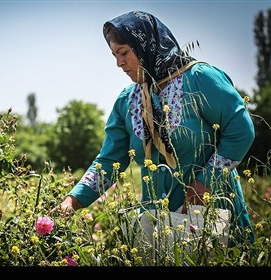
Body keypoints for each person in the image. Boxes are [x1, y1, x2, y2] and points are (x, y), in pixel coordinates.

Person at [56, 10, 255, 244]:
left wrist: (205, 183)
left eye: (123, 53)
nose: (119, 63)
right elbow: (109, 161)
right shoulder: (128, 101)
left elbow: (241, 130)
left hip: (212, 213)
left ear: (145, 47)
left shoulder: (200, 79)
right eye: (114, 55)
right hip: (157, 227)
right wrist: (73, 200)